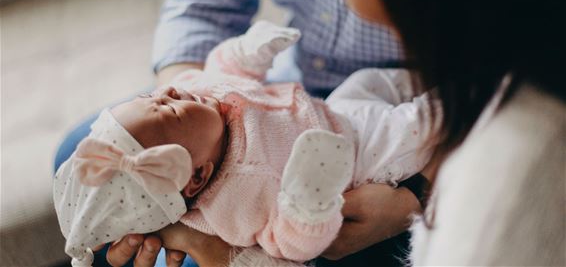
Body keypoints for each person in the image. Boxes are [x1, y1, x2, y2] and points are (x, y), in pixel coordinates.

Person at [107, 0, 565, 265]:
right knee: (96, 168)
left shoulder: (504, 175)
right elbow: (202, 5)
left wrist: (413, 197)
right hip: (292, 96)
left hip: (393, 143)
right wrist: (187, 156)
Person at [56, 0, 428, 265]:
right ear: (198, 176)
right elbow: (202, 5)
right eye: (163, 103)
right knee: (76, 160)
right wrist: (170, 192)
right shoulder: (238, 186)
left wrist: (417, 200)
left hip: (424, 112)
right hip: (304, 124)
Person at [55, 21, 439, 265]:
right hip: (356, 157)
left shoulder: (196, 99)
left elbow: (223, 70)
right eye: (169, 110)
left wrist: (249, 51)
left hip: (333, 106)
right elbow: (288, 242)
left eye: (152, 97)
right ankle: (465, 104)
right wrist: (306, 202)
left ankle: (421, 81)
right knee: (413, 129)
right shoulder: (242, 198)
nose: (171, 90)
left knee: (376, 83)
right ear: (198, 177)